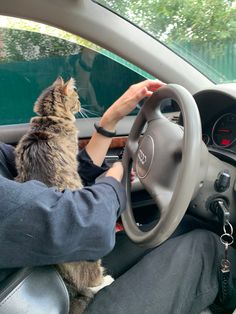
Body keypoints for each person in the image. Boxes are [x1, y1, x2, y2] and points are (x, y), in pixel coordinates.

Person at [0, 80, 235, 314]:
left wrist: (108, 123)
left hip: (48, 269)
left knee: (183, 226)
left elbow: (55, 180)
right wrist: (112, 184)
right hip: (53, 292)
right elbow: (83, 224)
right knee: (209, 249)